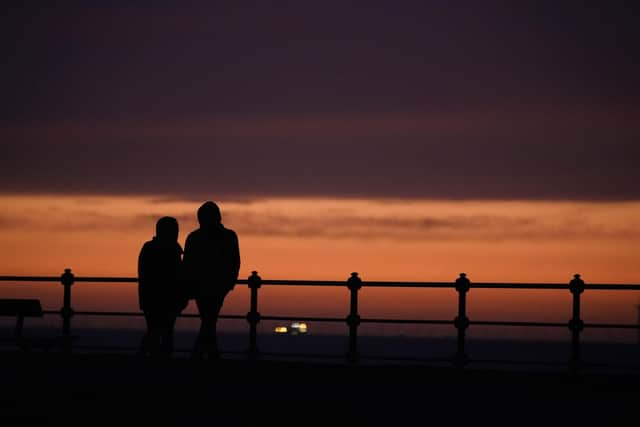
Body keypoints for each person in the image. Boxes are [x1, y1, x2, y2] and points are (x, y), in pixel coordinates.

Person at [183, 201, 240, 360]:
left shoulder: (194, 237)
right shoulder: (229, 236)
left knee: (208, 319)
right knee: (209, 320)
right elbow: (234, 261)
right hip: (217, 286)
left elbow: (187, 264)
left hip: (204, 286)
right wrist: (230, 283)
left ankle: (202, 354)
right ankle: (208, 354)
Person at [137, 216, 185, 358]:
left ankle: (149, 359)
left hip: (150, 298)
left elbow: (144, 275)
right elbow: (176, 275)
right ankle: (160, 361)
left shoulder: (148, 248)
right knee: (165, 332)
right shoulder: (173, 250)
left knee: (154, 330)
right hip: (167, 299)